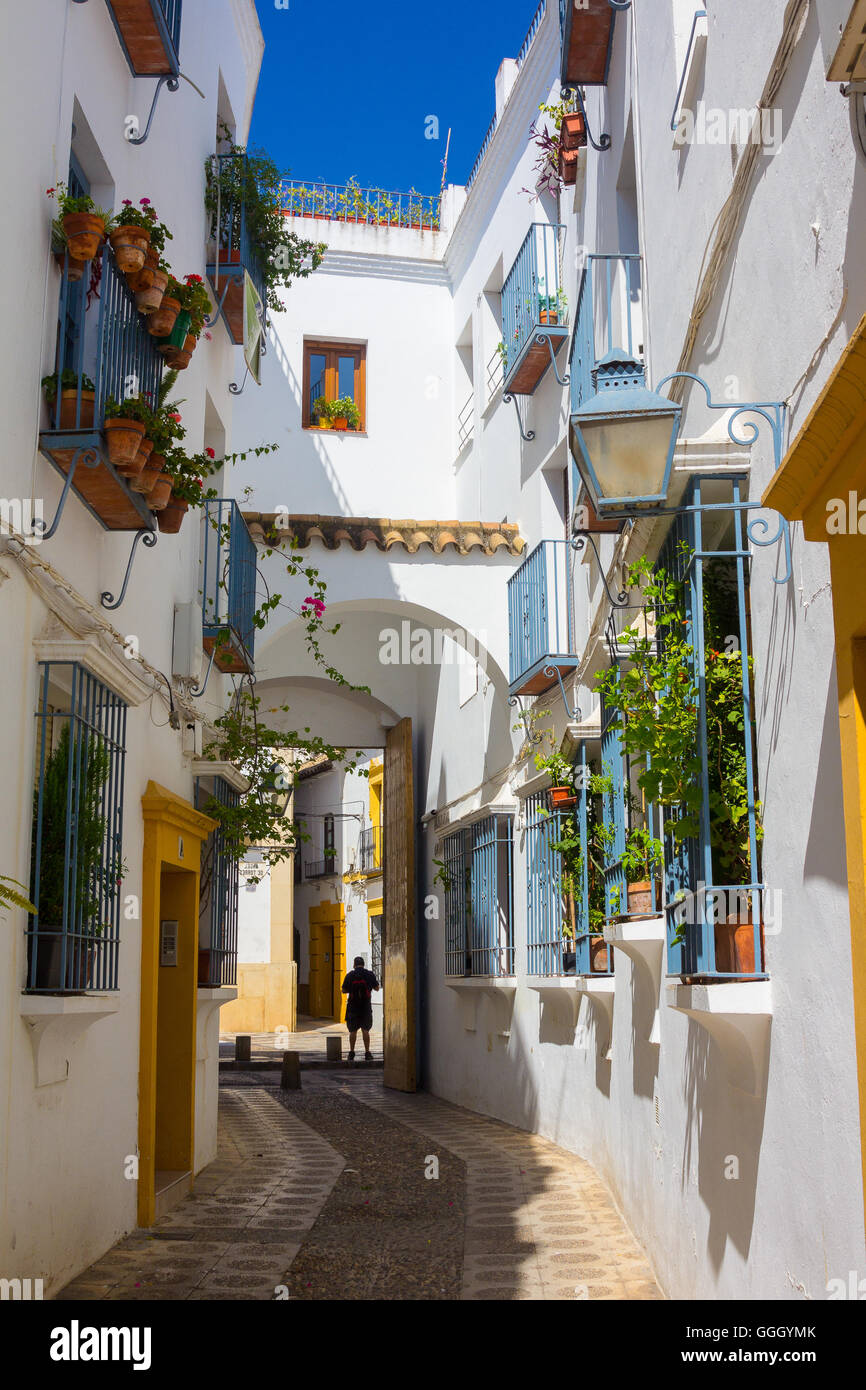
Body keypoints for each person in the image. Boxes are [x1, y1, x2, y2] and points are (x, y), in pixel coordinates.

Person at [341, 955, 380, 1061]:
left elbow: (344, 990)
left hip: (353, 1007)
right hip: (365, 1007)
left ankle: (351, 1052)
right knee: (365, 1030)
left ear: (354, 964)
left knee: (352, 1031)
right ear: (363, 964)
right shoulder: (369, 974)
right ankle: (367, 1052)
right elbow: (377, 988)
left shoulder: (350, 975)